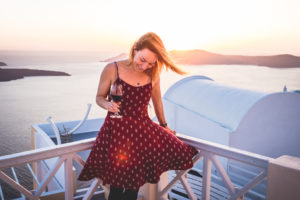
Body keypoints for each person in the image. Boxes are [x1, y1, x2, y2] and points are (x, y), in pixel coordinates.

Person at [78, 32, 198, 200]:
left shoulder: (153, 74)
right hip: (117, 134)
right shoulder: (112, 69)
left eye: (150, 63)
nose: (144, 66)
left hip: (141, 135)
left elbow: (158, 102)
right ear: (135, 50)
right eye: (142, 60)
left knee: (133, 190)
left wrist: (164, 126)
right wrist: (108, 105)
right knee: (117, 190)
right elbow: (99, 97)